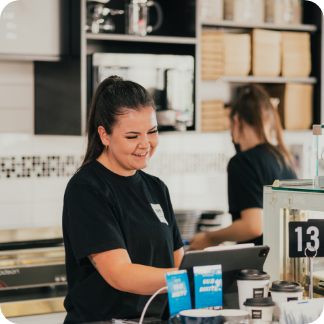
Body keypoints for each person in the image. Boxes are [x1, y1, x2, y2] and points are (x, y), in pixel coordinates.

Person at [62, 76, 184, 324]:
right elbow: (120, 274)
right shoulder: (86, 189)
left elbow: (180, 263)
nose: (145, 144)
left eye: (152, 132)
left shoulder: (157, 188)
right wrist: (188, 278)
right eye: (132, 136)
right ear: (104, 135)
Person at [189, 84, 297, 250]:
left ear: (237, 121)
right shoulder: (283, 157)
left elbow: (253, 226)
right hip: (287, 262)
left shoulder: (242, 161)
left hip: (259, 268)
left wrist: (210, 238)